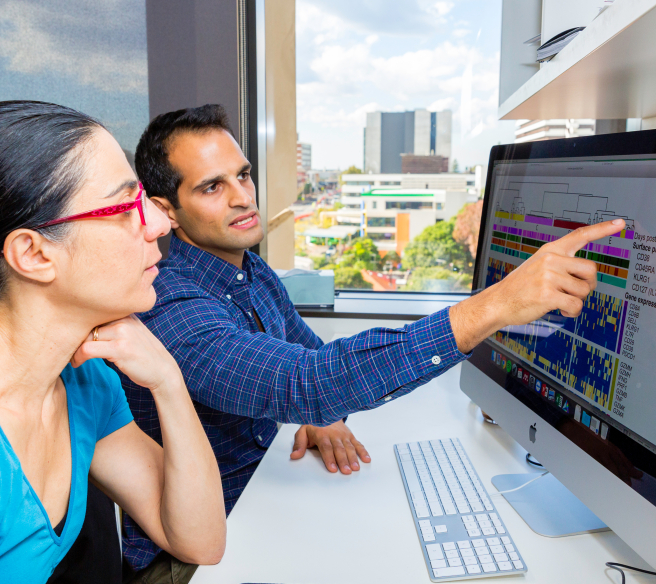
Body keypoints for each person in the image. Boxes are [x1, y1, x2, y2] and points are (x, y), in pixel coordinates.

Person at [114, 104, 626, 583]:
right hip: (192, 560)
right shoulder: (167, 305)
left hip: (263, 501)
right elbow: (305, 381)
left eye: (243, 174)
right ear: (166, 211)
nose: (243, 196)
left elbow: (308, 359)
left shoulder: (248, 269)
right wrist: (492, 307)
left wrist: (322, 410)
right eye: (212, 187)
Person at [0, 101, 225, 583]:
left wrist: (169, 381)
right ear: (34, 253)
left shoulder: (82, 377)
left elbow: (200, 540)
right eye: (125, 205)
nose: (161, 222)